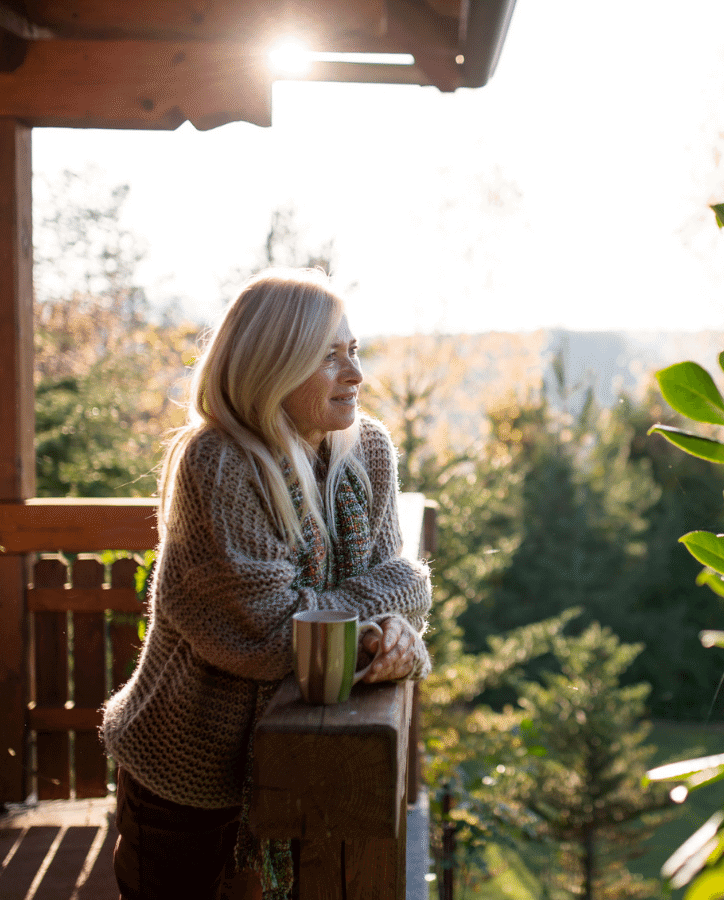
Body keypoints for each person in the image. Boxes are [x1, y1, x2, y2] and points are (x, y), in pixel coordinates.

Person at [101, 268, 432, 900]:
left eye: (354, 351)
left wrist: (384, 620)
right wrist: (378, 619)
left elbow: (401, 588)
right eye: (329, 358)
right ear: (272, 366)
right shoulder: (219, 461)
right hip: (191, 776)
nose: (356, 375)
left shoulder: (368, 449)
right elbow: (272, 635)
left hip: (307, 757)